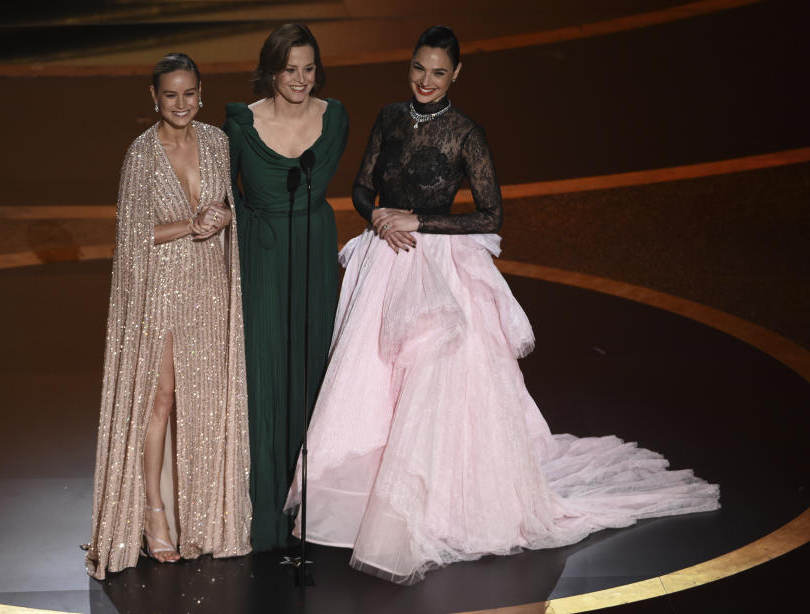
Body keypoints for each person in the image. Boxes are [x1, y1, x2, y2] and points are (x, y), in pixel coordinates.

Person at [286, 25, 720, 584]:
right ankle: (359, 505)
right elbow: (363, 186)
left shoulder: (468, 134)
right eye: (419, 68)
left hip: (438, 268)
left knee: (430, 387)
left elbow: (491, 215)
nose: (425, 80)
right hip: (384, 263)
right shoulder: (390, 117)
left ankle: (426, 503)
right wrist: (375, 216)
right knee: (370, 385)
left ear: (456, 75)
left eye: (438, 72)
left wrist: (418, 220)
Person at [85, 53, 251, 580]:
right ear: (153, 97)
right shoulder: (141, 155)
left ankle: (201, 518)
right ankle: (153, 514)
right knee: (160, 399)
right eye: (170, 94)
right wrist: (191, 224)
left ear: (201, 92)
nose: (180, 104)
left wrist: (223, 215)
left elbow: (225, 207)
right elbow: (132, 238)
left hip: (208, 287)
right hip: (161, 291)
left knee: (202, 401)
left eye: (189, 93)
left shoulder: (217, 142)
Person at [223, 23, 349, 552]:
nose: (300, 79)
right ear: (271, 69)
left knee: (312, 366)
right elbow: (227, 197)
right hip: (263, 255)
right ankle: (261, 504)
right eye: (289, 69)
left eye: (308, 68)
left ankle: (305, 500)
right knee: (265, 372)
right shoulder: (239, 124)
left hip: (314, 251)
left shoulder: (335, 117)